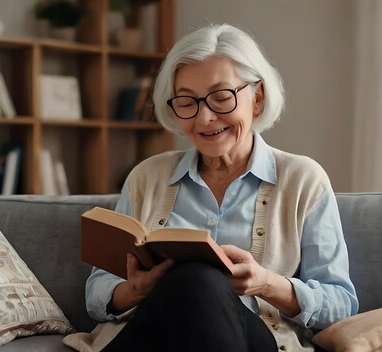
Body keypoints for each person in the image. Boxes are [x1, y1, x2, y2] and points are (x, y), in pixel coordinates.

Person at [65, 23, 358, 352]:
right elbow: (97, 291)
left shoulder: (303, 179)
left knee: (198, 280)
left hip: (253, 340)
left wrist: (266, 283)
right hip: (153, 336)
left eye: (221, 98)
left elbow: (341, 303)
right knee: (189, 282)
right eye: (187, 102)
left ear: (257, 98)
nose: (204, 118)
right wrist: (135, 290)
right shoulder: (147, 177)